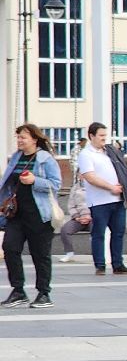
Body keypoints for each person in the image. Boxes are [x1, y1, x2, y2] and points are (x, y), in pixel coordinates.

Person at [2, 124, 61, 308]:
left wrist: (35, 181)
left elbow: (56, 184)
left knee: (40, 255)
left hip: (39, 214)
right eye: (18, 137)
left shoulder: (45, 159)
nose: (20, 140)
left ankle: (44, 293)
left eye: (23, 137)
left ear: (34, 139)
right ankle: (18, 290)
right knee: (10, 248)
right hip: (17, 214)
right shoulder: (16, 158)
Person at [75, 122, 127, 276]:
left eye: (105, 136)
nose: (103, 139)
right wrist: (111, 187)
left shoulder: (109, 152)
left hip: (117, 199)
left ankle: (118, 264)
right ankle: (100, 265)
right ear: (91, 136)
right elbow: (90, 177)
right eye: (100, 136)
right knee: (99, 233)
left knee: (118, 232)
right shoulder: (86, 154)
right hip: (100, 201)